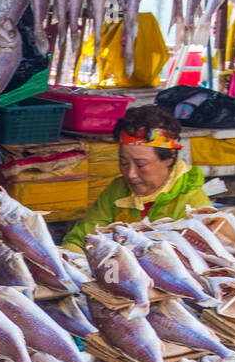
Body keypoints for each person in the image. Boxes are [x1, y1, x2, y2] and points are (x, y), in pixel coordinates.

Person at [62, 105, 213, 252]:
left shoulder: (193, 204)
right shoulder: (117, 190)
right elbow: (81, 239)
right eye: (124, 163)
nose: (130, 174)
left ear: (169, 158)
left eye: (141, 165)